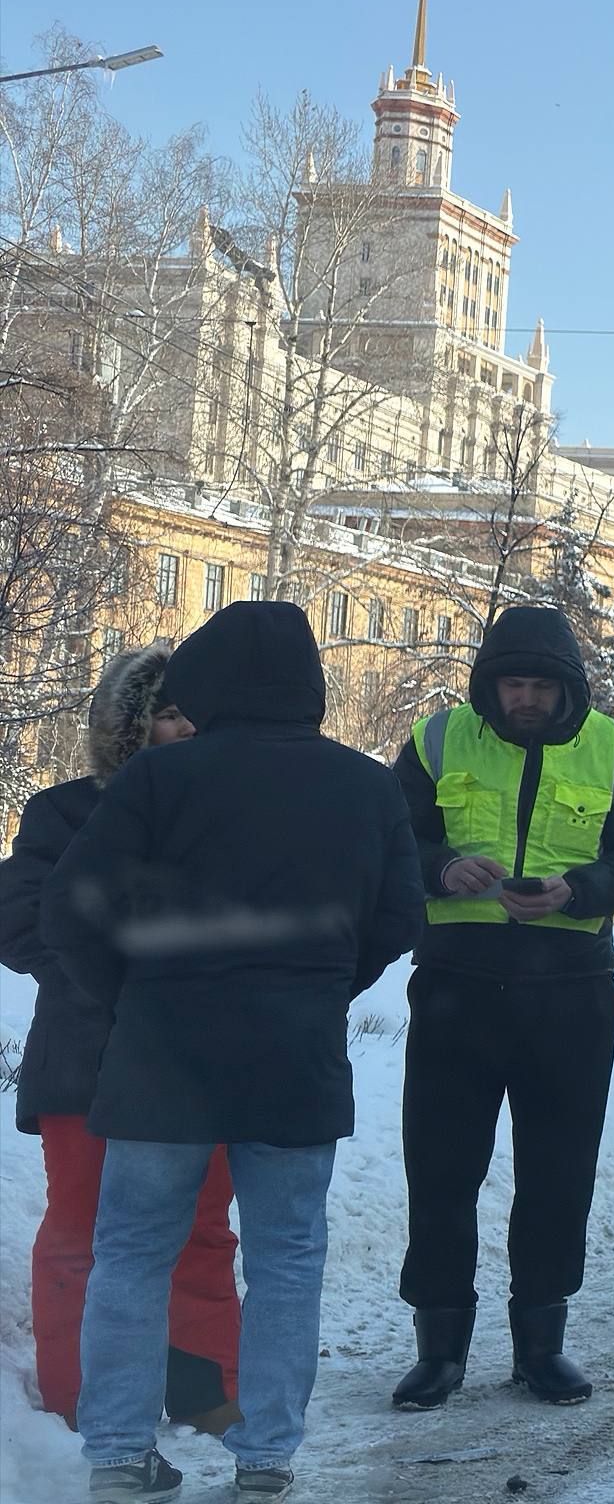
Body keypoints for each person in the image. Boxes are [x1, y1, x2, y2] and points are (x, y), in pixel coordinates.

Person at [40, 602, 425, 1502]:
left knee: (131, 1254)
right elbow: (399, 916)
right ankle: (266, 1460)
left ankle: (118, 1456)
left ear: (207, 682)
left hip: (160, 1055)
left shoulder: (159, 776)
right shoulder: (364, 786)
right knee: (287, 1259)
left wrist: (130, 998)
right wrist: (321, 986)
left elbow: (70, 909)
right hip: (295, 1055)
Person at [389, 604, 614, 1411]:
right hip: (457, 988)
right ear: (489, 683)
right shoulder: (437, 740)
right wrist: (442, 868)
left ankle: (541, 1347)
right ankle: (439, 1350)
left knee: (558, 1173)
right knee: (441, 1172)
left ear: (567, 689)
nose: (525, 698)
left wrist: (577, 889)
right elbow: (390, 835)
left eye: (540, 686)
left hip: (570, 993)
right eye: (512, 684)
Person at [0, 646, 242, 1436]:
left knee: (200, 1232)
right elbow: (19, 919)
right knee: (82, 1234)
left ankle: (204, 1393)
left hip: (200, 1065)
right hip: (86, 1061)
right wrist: (113, 977)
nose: (185, 728)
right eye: (167, 713)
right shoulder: (63, 812)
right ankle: (77, 1401)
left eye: (195, 714)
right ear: (128, 726)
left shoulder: (233, 815)